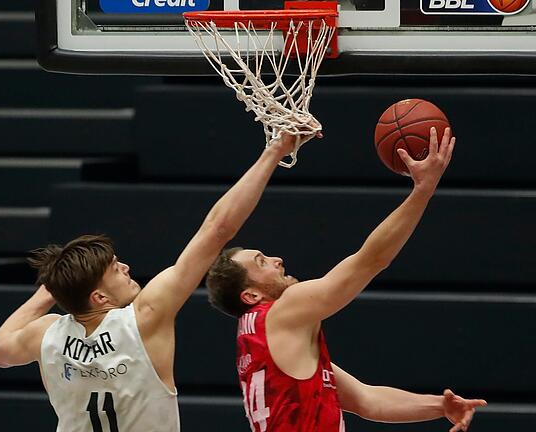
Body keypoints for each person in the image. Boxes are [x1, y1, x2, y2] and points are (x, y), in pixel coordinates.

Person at [0, 131, 316, 432]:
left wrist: (51, 289)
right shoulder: (143, 319)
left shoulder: (46, 334)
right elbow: (217, 230)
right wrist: (274, 151)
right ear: (99, 297)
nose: (127, 267)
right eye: (116, 269)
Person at [206, 127, 486, 432]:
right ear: (251, 295)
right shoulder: (282, 313)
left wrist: (439, 406)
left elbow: (368, 401)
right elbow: (371, 261)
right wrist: (423, 190)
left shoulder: (261, 337)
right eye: (262, 262)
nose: (277, 260)